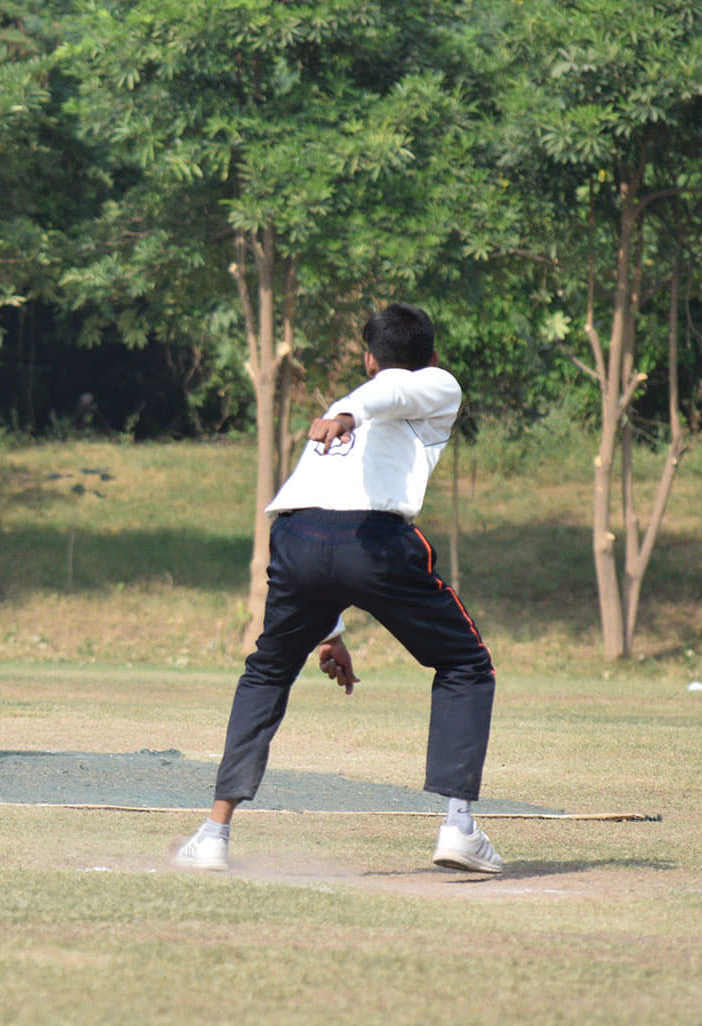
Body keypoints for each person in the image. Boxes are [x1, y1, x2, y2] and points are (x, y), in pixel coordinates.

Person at [174, 302, 503, 874]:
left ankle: (213, 833)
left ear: (368, 357)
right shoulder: (437, 383)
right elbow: (390, 391)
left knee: (267, 670)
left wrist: (326, 627)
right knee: (466, 663)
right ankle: (459, 827)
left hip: (298, 536)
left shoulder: (370, 397)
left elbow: (388, 393)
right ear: (433, 355)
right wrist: (349, 414)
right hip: (371, 538)